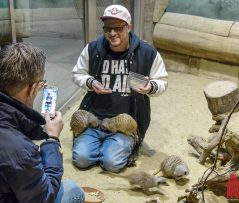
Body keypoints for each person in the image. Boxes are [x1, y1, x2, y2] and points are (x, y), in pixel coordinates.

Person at [0, 43, 84, 203]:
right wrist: (52, 140)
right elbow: (44, 197)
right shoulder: (21, 151)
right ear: (31, 89)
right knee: (72, 190)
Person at [72, 5, 168, 173]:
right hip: (94, 120)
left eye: (118, 28)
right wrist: (91, 82)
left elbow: (162, 82)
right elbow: (77, 74)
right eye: (108, 28)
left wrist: (149, 87)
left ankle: (117, 144)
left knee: (111, 164)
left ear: (129, 27)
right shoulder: (92, 49)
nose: (112, 33)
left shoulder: (147, 52)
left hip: (125, 124)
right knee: (81, 159)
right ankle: (101, 144)